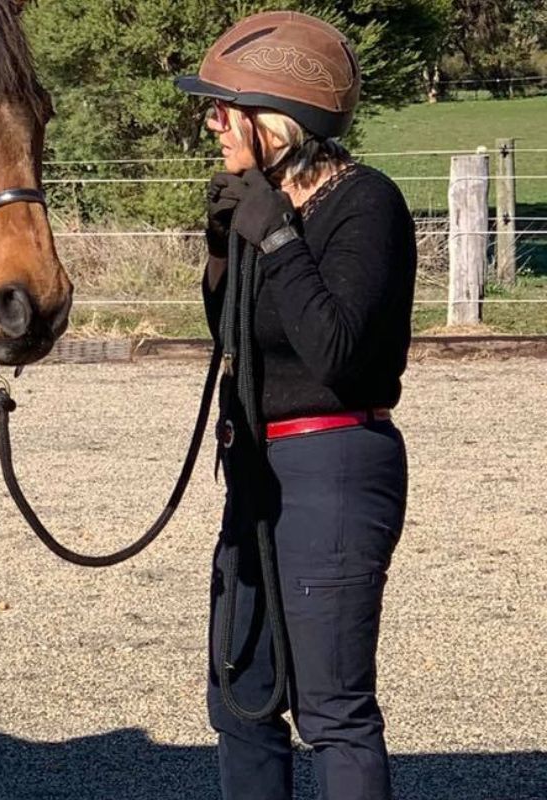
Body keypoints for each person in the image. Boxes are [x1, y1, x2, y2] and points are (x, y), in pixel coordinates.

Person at [175, 11, 416, 800]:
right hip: (257, 468)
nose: (211, 120)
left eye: (223, 105)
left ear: (284, 118)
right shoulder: (268, 204)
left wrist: (276, 239)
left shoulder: (365, 205)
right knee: (240, 700)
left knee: (333, 710)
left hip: (335, 462)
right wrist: (223, 251)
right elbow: (239, 337)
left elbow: (336, 347)